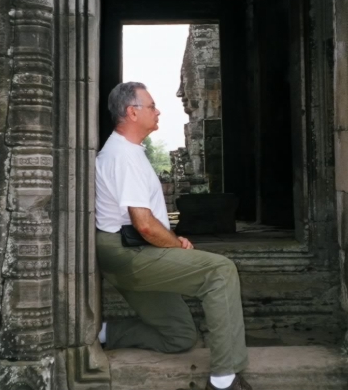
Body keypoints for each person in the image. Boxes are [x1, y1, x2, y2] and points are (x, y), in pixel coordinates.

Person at [95, 82, 252, 390]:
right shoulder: (123, 156)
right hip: (129, 253)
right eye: (151, 106)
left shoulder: (126, 152)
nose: (158, 111)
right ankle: (223, 379)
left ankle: (102, 334)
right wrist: (177, 244)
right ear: (132, 112)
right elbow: (144, 224)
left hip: (127, 252)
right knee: (220, 271)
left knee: (179, 336)